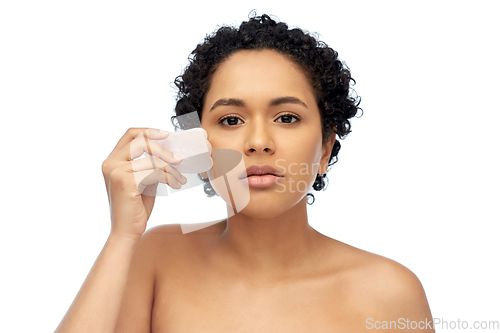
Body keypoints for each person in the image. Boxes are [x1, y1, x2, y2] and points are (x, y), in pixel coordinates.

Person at [55, 13, 435, 332]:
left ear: (325, 148)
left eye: (287, 117)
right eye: (231, 119)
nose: (257, 142)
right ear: (198, 147)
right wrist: (123, 235)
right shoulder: (156, 258)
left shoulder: (389, 293)